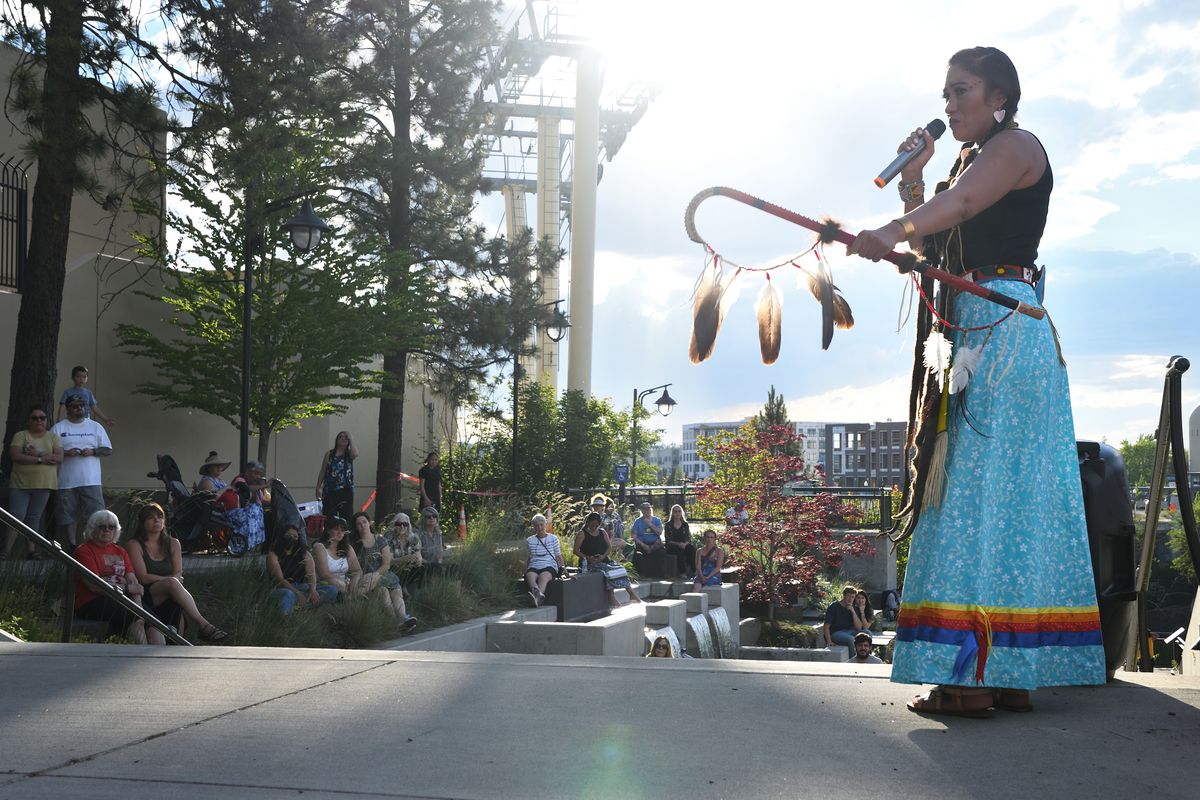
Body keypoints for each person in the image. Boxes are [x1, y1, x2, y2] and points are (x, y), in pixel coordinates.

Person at [846, 47, 1106, 717]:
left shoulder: (1016, 145)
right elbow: (939, 240)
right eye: (946, 93)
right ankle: (1004, 667)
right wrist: (912, 187)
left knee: (980, 495)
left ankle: (974, 673)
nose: (949, 104)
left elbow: (960, 208)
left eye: (961, 91)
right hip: (980, 330)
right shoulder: (966, 162)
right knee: (1000, 497)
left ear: (999, 96)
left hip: (1002, 332)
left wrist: (888, 229)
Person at [125, 502, 228, 643]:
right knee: (172, 583)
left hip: (171, 589)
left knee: (174, 590)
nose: (157, 520)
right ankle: (204, 626)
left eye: (160, 517)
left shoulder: (173, 543)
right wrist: (170, 579)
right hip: (146, 592)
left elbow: (178, 572)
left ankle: (185, 637)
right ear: (142, 523)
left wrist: (172, 580)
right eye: (150, 517)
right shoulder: (135, 544)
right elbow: (143, 577)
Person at [71, 510, 148, 644]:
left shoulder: (120, 551)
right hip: (91, 601)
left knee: (154, 620)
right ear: (92, 529)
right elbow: (95, 585)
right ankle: (143, 656)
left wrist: (137, 601)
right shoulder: (83, 551)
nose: (107, 530)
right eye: (101, 526)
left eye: (111, 527)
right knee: (134, 615)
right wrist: (128, 588)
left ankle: (160, 656)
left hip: (118, 597)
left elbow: (133, 580)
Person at [51, 395, 112, 547]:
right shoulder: (59, 428)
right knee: (67, 516)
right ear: (68, 408)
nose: (80, 408)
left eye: (82, 405)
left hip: (91, 480)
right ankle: (71, 545)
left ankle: (91, 544)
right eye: (75, 406)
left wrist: (92, 451)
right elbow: (49, 451)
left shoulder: (95, 427)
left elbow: (107, 450)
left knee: (95, 514)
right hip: (66, 481)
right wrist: (66, 453)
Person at [3, 405, 62, 560]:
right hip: (20, 484)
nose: (39, 421)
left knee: (34, 518)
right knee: (17, 516)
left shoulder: (53, 437)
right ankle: (6, 551)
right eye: (35, 418)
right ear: (29, 421)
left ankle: (31, 551)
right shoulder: (21, 435)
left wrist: (38, 453)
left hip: (44, 484)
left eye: (42, 418)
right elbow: (16, 455)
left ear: (46, 420)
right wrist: (41, 459)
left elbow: (58, 458)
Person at [351, 512, 417, 631]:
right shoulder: (354, 544)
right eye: (359, 524)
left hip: (381, 573)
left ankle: (403, 618)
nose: (362, 525)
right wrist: (371, 577)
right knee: (383, 591)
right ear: (356, 527)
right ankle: (394, 623)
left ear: (369, 523)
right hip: (367, 577)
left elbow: (386, 564)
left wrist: (377, 574)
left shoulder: (380, 540)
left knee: (396, 591)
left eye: (364, 522)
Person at [266, 523, 338, 615]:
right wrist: (297, 594)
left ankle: (299, 607)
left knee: (332, 590)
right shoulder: (273, 555)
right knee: (288, 595)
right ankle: (288, 616)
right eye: (288, 535)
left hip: (302, 587)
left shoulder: (304, 554)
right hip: (283, 589)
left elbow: (311, 574)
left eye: (295, 536)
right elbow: (280, 580)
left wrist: (313, 590)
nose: (292, 538)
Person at [574, 511, 641, 607]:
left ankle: (631, 593)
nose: (593, 528)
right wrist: (588, 557)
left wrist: (603, 556)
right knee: (606, 571)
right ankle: (611, 596)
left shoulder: (602, 532)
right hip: (589, 563)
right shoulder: (582, 534)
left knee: (619, 568)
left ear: (599, 524)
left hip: (603, 559)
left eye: (596, 525)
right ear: (588, 523)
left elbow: (609, 547)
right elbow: (576, 550)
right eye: (592, 525)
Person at [312, 516, 364, 599]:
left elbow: (357, 570)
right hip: (327, 584)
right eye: (336, 529)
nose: (340, 532)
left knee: (374, 576)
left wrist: (354, 581)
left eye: (343, 530)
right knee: (332, 581)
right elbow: (324, 574)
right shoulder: (320, 547)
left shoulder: (348, 548)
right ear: (328, 530)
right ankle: (354, 596)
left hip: (347, 584)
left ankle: (352, 595)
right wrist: (343, 584)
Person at [316, 431, 357, 520]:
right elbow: (323, 471)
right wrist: (318, 487)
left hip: (346, 490)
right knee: (329, 516)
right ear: (336, 440)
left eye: (346, 438)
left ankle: (345, 533)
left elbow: (355, 454)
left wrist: (351, 438)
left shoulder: (349, 454)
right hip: (330, 490)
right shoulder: (329, 454)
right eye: (340, 437)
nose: (343, 439)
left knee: (346, 517)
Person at [525, 513, 562, 607]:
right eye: (536, 525)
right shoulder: (529, 540)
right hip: (534, 564)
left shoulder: (553, 538)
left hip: (549, 565)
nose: (539, 527)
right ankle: (538, 598)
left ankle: (537, 597)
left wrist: (562, 567)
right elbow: (528, 557)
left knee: (543, 576)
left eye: (541, 525)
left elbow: (558, 555)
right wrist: (525, 569)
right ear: (533, 526)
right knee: (530, 575)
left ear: (545, 524)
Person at [822, 586, 859, 655]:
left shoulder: (853, 607)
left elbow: (858, 627)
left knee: (866, 633)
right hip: (836, 633)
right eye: (848, 596)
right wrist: (829, 641)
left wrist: (853, 612)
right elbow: (826, 627)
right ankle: (854, 661)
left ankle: (867, 658)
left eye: (852, 597)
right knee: (850, 639)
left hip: (850, 631)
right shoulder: (834, 607)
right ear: (844, 595)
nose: (850, 599)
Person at [663, 504, 696, 578]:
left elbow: (688, 538)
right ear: (672, 513)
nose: (677, 513)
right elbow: (668, 540)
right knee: (679, 551)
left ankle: (694, 571)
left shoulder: (685, 524)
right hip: (672, 546)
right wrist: (678, 544)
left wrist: (685, 544)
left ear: (681, 513)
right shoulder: (668, 525)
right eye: (675, 511)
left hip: (684, 544)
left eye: (679, 511)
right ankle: (683, 572)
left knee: (691, 549)